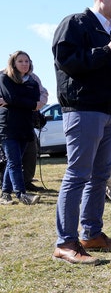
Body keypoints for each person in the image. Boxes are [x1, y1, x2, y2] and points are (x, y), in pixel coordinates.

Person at [52, 0, 111, 265]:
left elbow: (106, 70)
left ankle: (91, 234)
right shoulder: (76, 23)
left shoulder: (110, 32)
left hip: (108, 112)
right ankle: (65, 242)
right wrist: (107, 52)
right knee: (78, 175)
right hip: (83, 110)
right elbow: (67, 60)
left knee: (99, 177)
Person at [0, 51, 41, 205]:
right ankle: (21, 194)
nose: (24, 64)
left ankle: (5, 194)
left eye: (27, 61)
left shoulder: (32, 82)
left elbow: (35, 101)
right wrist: (25, 102)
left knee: (14, 162)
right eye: (20, 61)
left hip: (25, 126)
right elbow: (12, 97)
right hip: (8, 127)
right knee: (15, 161)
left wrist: (15, 101)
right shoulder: (4, 78)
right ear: (13, 63)